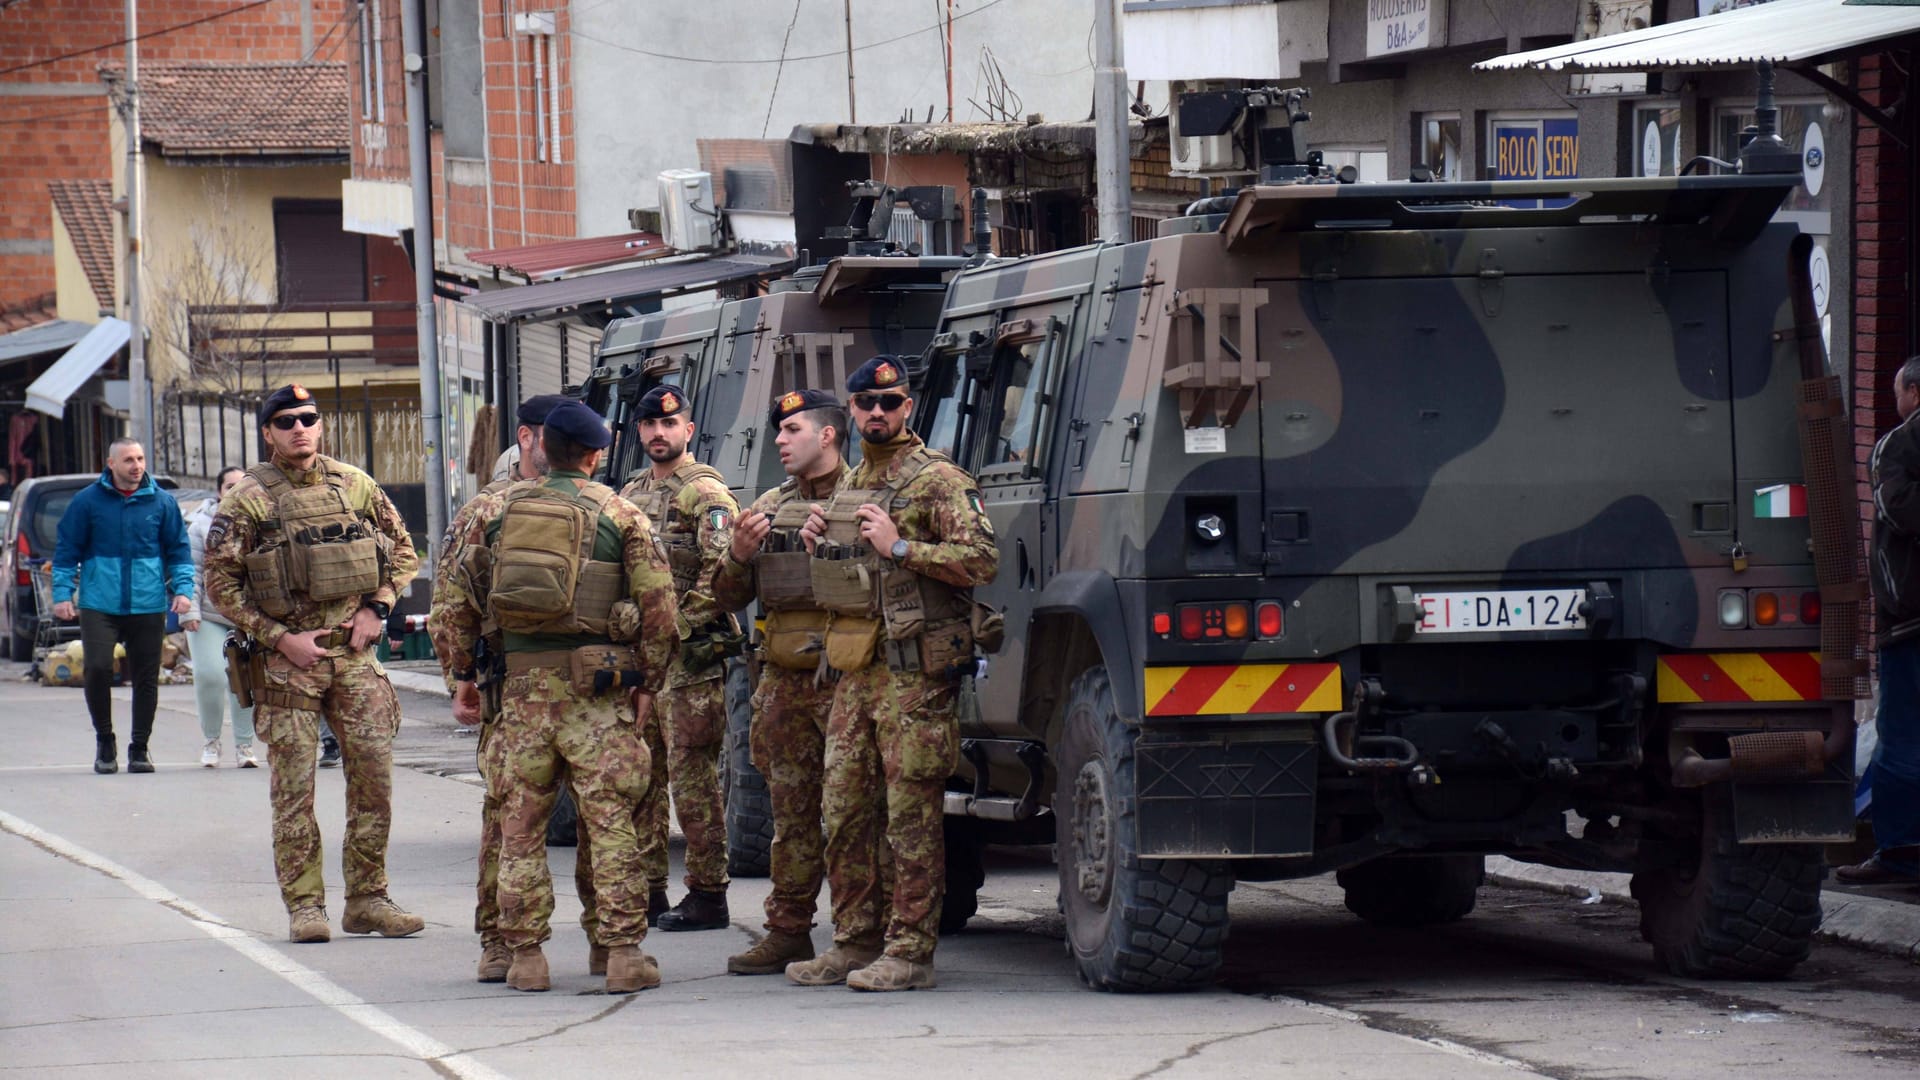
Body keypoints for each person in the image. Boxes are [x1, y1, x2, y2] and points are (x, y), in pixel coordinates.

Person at [434, 400, 680, 993]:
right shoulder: (622, 515)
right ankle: (619, 954)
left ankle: (524, 959)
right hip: (599, 696)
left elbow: (450, 608)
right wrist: (648, 682)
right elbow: (661, 613)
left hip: (518, 697)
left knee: (518, 828)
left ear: (542, 448)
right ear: (595, 455)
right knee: (612, 824)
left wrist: (462, 679)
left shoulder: (489, 511)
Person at [789, 356, 998, 991]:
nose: (878, 413)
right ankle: (853, 942)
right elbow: (851, 579)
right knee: (845, 811)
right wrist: (822, 543)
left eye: (891, 403)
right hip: (857, 670)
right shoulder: (852, 480)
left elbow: (982, 559)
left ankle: (910, 953)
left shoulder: (937, 479)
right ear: (849, 413)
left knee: (910, 815)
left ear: (908, 408)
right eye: (865, 404)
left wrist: (900, 546)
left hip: (916, 676)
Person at [201, 383, 424, 944]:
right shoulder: (247, 499)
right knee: (294, 789)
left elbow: (403, 551)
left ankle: (368, 899)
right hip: (289, 665)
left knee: (374, 781)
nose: (300, 428)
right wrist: (279, 638)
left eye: (308, 418)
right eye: (286, 421)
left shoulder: (355, 484)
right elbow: (221, 586)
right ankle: (305, 907)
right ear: (268, 432)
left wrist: (378, 609)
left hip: (354, 657)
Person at [427, 392, 569, 983]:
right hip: (510, 685)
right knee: (508, 818)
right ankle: (498, 941)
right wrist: (461, 678)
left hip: (587, 686)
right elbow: (449, 603)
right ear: (527, 436)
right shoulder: (487, 508)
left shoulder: (593, 499)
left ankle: (609, 943)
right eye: (547, 432)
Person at [710, 388, 853, 974]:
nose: (779, 440)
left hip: (849, 679)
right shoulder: (768, 506)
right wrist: (740, 555)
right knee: (790, 815)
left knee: (852, 816)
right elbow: (723, 597)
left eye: (792, 429)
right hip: (784, 684)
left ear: (827, 435)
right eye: (778, 430)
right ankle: (788, 930)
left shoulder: (863, 497)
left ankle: (858, 934)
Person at [608, 385, 742, 932]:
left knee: (692, 780)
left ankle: (708, 894)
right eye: (649, 425)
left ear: (688, 430)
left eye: (670, 424)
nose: (658, 434)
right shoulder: (630, 493)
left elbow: (726, 572)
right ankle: (650, 890)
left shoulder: (705, 493)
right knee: (642, 777)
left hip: (689, 663)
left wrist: (676, 626)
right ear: (638, 431)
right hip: (643, 662)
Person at [51, 438, 194, 774]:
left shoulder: (161, 502)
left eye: (141, 458)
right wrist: (61, 595)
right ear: (111, 463)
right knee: (98, 668)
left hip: (147, 602)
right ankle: (105, 740)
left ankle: (140, 748)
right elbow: (66, 550)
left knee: (146, 677)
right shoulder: (87, 502)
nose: (136, 465)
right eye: (128, 459)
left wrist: (184, 591)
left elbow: (179, 551)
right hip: (100, 602)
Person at [1842, 355, 1920, 884]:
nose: (1896, 403)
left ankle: (1899, 852)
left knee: (1900, 740)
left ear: (1914, 391)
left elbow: (1900, 513)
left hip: (1910, 621)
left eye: (1898, 392)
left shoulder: (1897, 446)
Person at [184, 466, 256, 768]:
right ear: (219, 491)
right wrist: (190, 610)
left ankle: (245, 746)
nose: (235, 492)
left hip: (247, 616)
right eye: (229, 486)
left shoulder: (262, 521)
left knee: (244, 680)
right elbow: (193, 572)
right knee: (210, 674)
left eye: (242, 486)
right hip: (209, 614)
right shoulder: (200, 525)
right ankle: (211, 741)